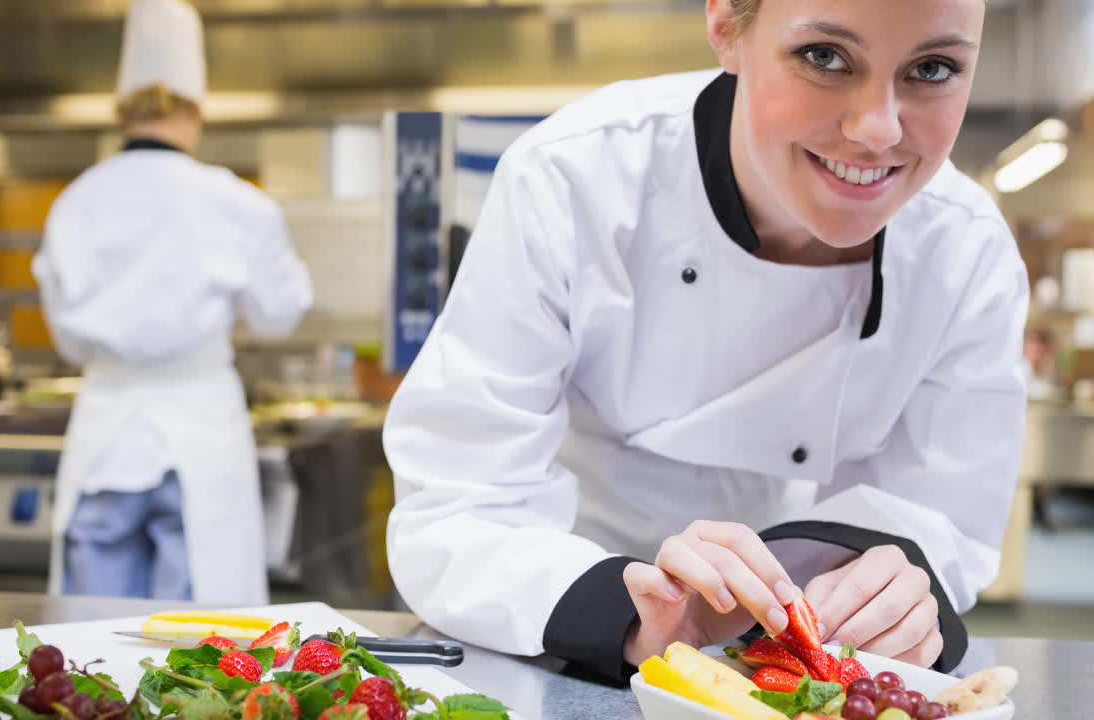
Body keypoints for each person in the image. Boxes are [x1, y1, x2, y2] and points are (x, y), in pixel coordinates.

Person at [382, 0, 1028, 685]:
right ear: (726, 26)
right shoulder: (575, 179)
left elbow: (945, 516)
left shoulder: (966, 250)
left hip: (803, 654)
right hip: (556, 632)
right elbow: (458, 503)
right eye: (824, 57)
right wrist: (630, 612)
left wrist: (891, 595)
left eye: (933, 68)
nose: (875, 130)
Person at [33, 0, 313, 604]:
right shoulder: (236, 203)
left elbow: (65, 339)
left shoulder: (74, 203)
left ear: (123, 110)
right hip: (200, 431)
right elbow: (280, 314)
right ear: (195, 108)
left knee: (91, 648)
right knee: (194, 654)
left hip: (104, 432)